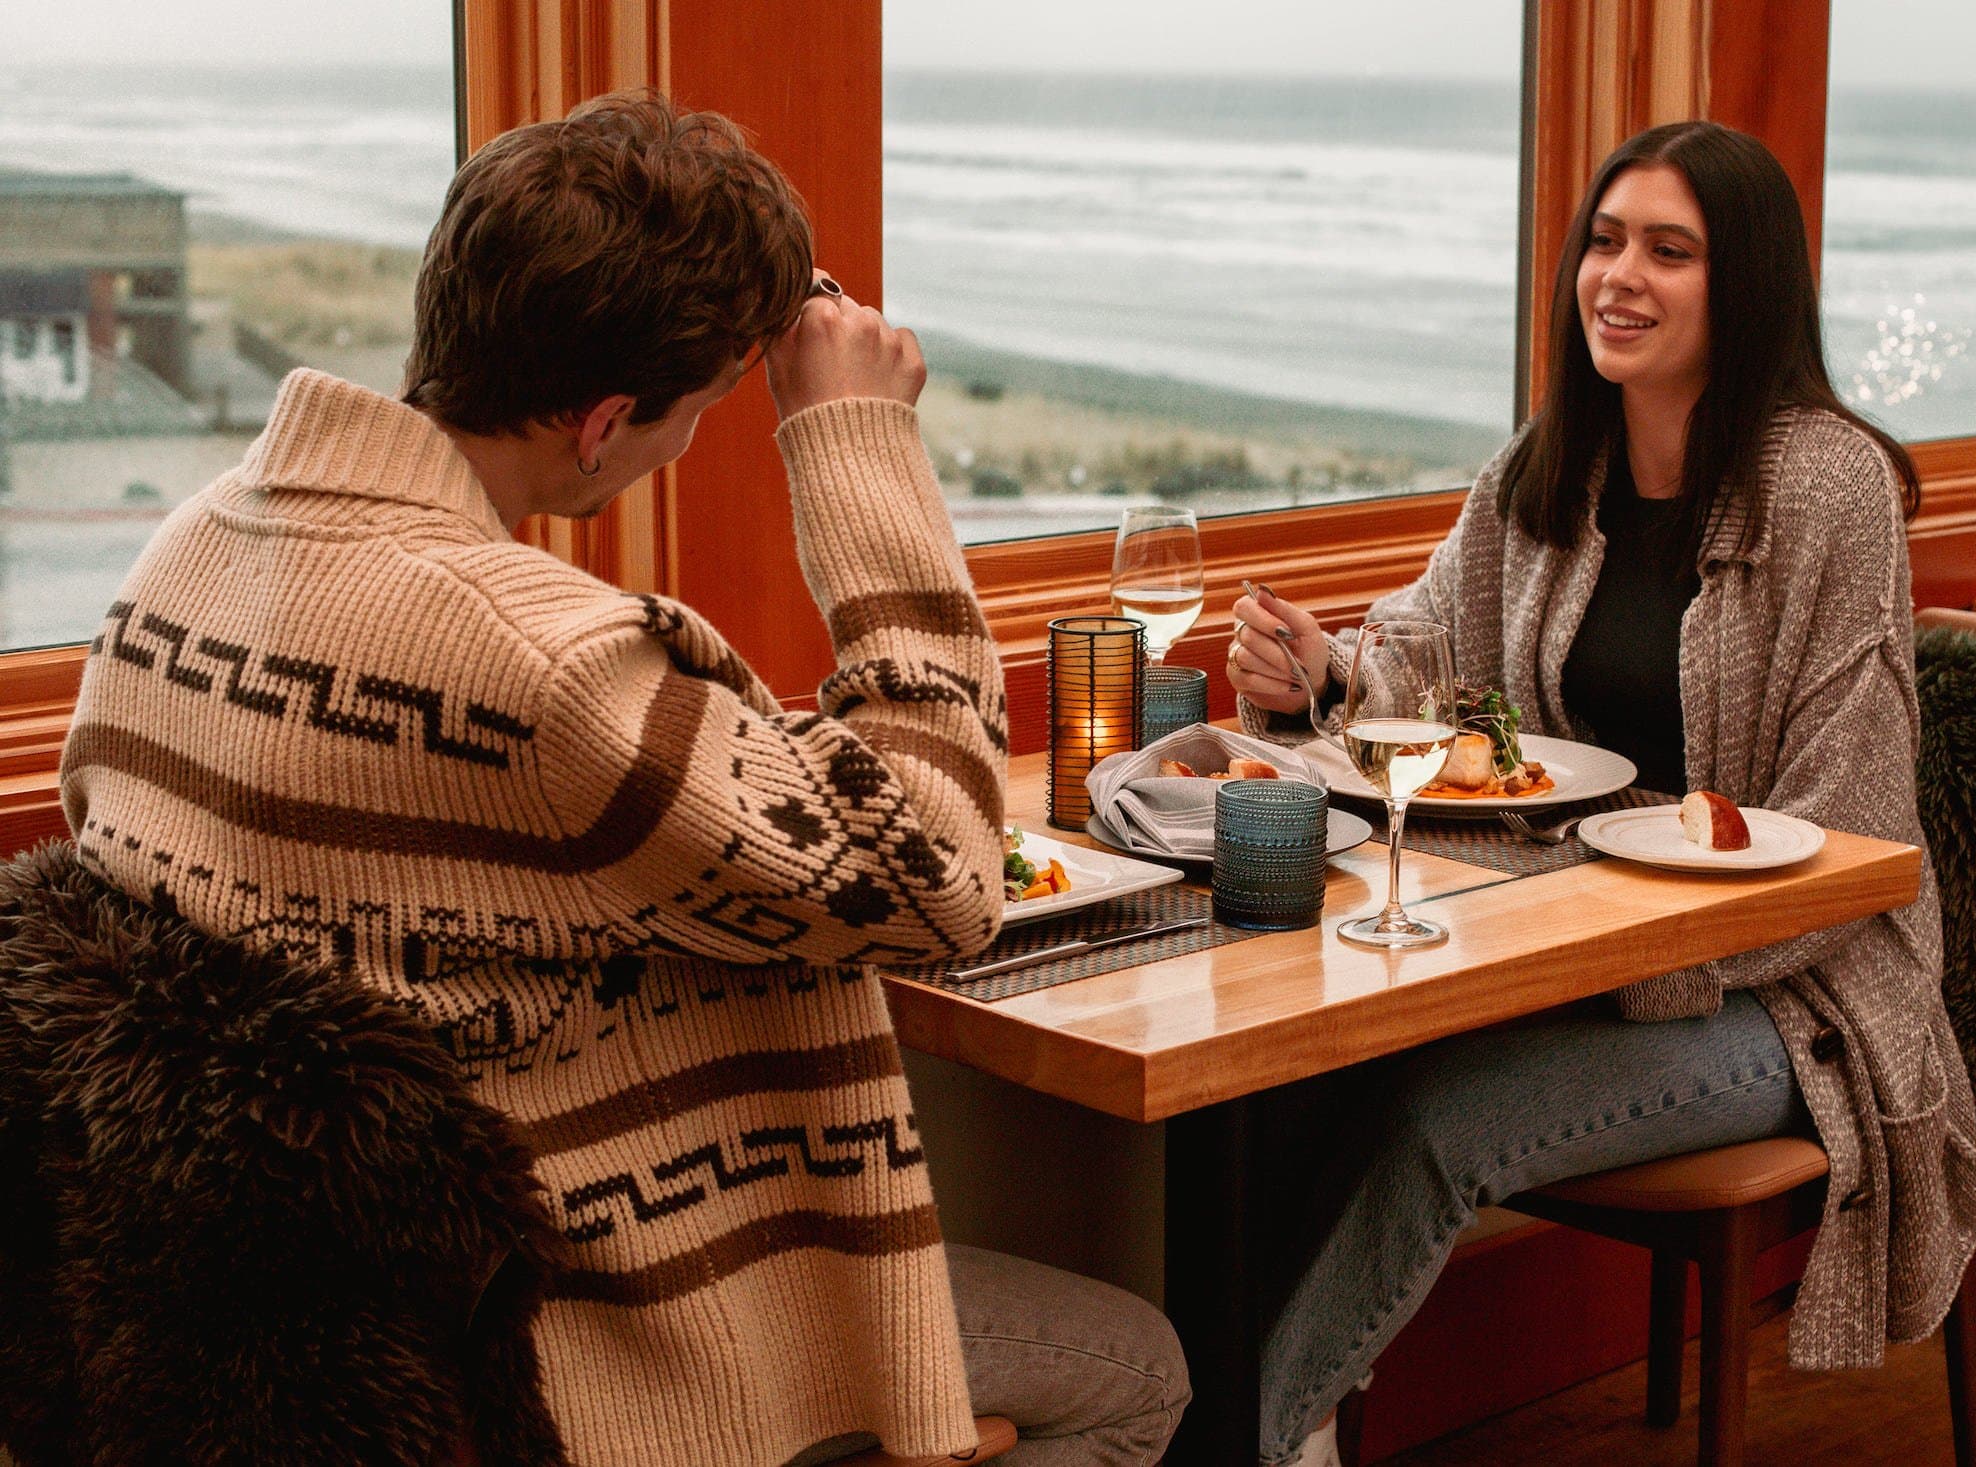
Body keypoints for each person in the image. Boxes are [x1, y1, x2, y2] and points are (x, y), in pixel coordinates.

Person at [59, 91, 1186, 1467]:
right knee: (1134, 1366)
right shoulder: (543, 670)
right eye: (700, 412)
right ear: (601, 426)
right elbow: (941, 884)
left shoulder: (186, 558)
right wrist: (858, 451)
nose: (697, 437)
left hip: (274, 1324)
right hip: (568, 1332)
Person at [1228, 120, 1976, 1467]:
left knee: (1429, 1119)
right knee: (1272, 1091)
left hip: (1792, 1001)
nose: (1616, 274)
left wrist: (1640, 970)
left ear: (1742, 284)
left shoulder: (1828, 486)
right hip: (1572, 958)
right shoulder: (1550, 464)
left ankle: (1244, 1444)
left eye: (1669, 251)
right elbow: (1411, 654)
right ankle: (1280, 1434)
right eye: (1605, 238)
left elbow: (1851, 843)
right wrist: (1315, 676)